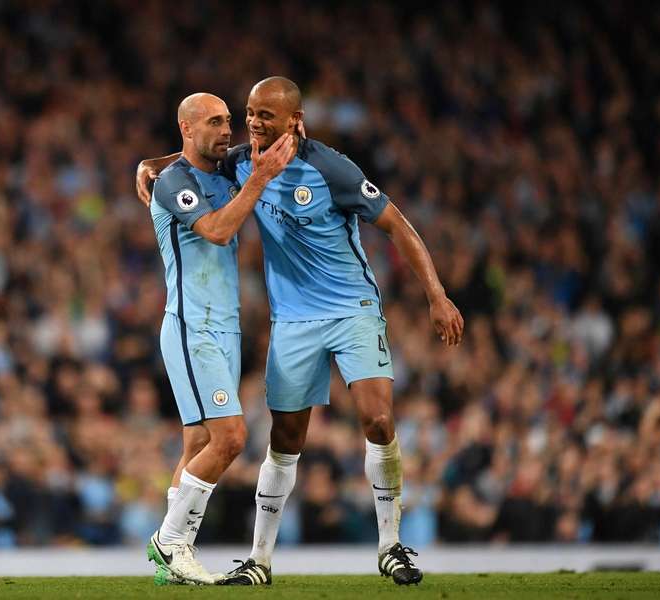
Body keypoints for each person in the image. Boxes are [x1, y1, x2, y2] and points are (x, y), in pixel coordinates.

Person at [137, 77, 463, 586]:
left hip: (351, 308)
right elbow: (189, 158)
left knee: (377, 419)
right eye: (247, 113)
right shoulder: (244, 162)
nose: (250, 124)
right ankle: (258, 559)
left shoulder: (330, 167)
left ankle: (390, 546)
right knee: (281, 440)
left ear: (295, 119)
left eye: (264, 115)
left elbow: (397, 223)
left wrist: (436, 294)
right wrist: (149, 165)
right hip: (289, 321)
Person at [144, 92, 295, 585]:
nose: (227, 129)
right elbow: (216, 230)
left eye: (228, 121)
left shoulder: (220, 168)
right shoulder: (173, 182)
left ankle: (171, 566)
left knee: (197, 444)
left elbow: (263, 146)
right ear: (186, 128)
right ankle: (172, 543)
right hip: (193, 326)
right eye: (214, 122)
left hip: (224, 326)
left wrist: (144, 161)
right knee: (230, 437)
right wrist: (257, 180)